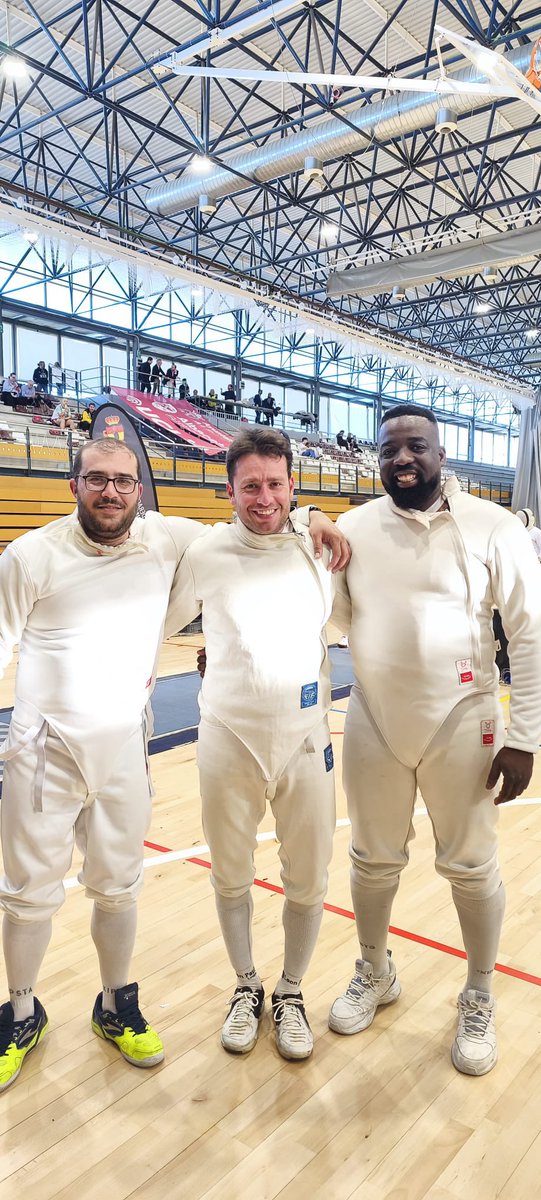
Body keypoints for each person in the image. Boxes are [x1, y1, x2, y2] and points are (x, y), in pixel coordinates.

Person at [0, 437, 348, 1091]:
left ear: (140, 491)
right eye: (96, 479)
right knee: (25, 896)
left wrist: (314, 516)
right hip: (43, 751)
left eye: (123, 482)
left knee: (120, 886)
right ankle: (20, 1012)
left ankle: (115, 1004)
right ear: (72, 484)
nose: (110, 491)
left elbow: (272, 516)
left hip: (128, 748)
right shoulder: (30, 556)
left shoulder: (165, 539)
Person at [328, 403, 541, 1077]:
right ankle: (374, 970)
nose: (401, 459)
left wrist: (525, 736)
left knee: (471, 865)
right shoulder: (354, 529)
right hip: (373, 718)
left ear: (440, 453)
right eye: (389, 449)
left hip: (465, 718)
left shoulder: (493, 526)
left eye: (415, 446)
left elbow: (529, 633)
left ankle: (477, 992)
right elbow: (323, 620)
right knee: (370, 858)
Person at [166, 428, 342, 1062]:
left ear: (292, 485)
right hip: (227, 738)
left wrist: (317, 517)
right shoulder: (207, 550)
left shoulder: (319, 548)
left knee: (309, 877)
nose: (263, 498)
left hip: (306, 738)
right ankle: (246, 986)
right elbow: (157, 621)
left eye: (275, 484)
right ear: (230, 490)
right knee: (231, 874)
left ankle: (291, 991)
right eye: (250, 487)